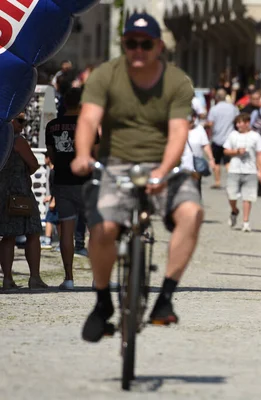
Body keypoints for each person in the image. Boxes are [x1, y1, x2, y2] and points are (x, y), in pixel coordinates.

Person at [71, 12, 203, 342]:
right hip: (115, 164)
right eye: (131, 43)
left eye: (146, 44)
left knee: (192, 213)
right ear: (124, 45)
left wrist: (162, 170)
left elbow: (177, 133)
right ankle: (103, 303)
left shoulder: (177, 82)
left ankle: (165, 298)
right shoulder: (105, 75)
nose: (138, 50)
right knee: (104, 227)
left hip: (162, 164)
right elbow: (88, 120)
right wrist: (84, 154)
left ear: (158, 46)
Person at [46, 87, 98, 290]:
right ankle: (98, 278)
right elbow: (95, 154)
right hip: (86, 182)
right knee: (94, 231)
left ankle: (68, 278)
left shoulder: (52, 126)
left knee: (66, 231)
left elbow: (51, 156)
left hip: (62, 181)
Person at [0, 113, 48, 290]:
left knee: (8, 235)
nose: (23, 124)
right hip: (20, 193)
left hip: (1, 193)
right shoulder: (17, 140)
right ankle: (34, 277)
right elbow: (34, 164)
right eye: (20, 120)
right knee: (33, 232)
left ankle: (7, 279)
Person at [223, 113, 261, 232]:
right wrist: (236, 151)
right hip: (234, 169)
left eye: (240, 122)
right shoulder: (233, 135)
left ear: (247, 123)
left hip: (250, 170)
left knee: (248, 197)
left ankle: (246, 222)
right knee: (231, 194)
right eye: (237, 123)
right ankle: (234, 210)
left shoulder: (255, 136)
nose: (238, 125)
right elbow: (226, 151)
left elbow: (260, 153)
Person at [205, 88, 239, 188]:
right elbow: (237, 120)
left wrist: (206, 126)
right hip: (229, 138)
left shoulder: (214, 109)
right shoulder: (233, 108)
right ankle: (232, 181)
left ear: (217, 98)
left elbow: (211, 123)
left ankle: (218, 181)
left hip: (217, 138)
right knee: (228, 161)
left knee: (217, 162)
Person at [181, 112, 216, 196]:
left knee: (195, 188)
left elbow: (205, 145)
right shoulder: (178, 129)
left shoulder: (199, 129)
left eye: (192, 118)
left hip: (196, 164)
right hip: (181, 164)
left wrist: (211, 159)